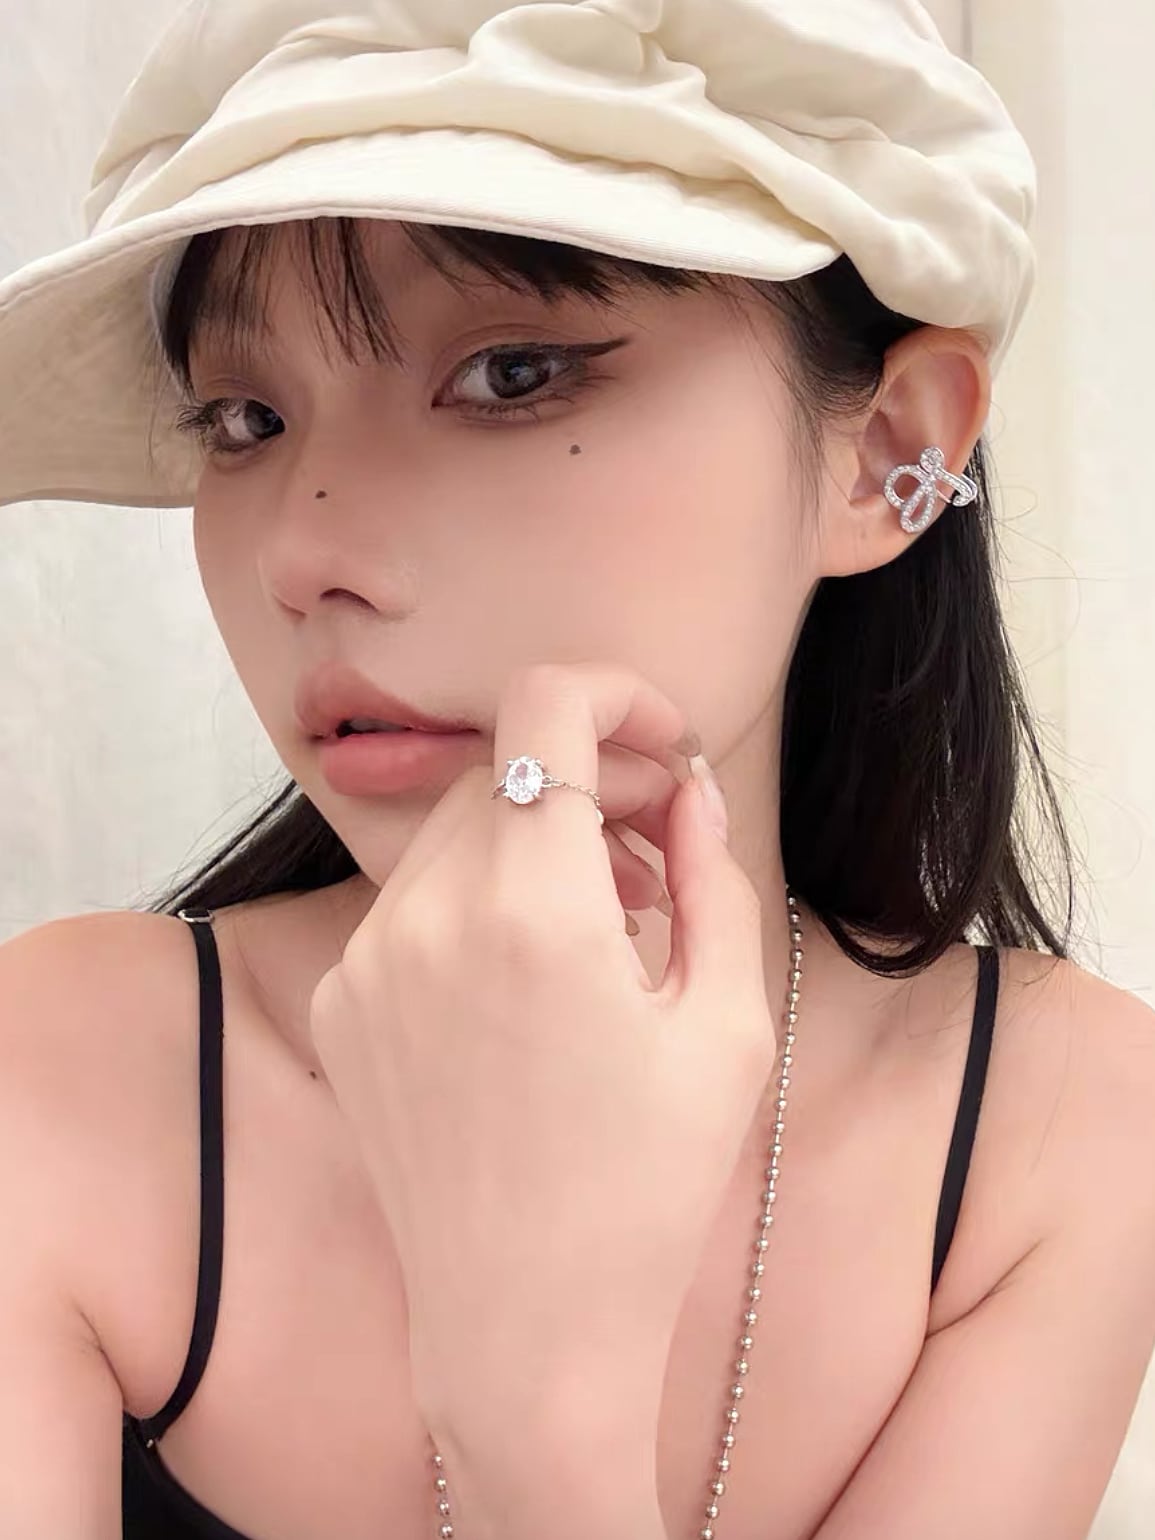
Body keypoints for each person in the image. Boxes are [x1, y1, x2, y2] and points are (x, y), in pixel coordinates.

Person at [1, 2, 1154, 1538]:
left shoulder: (1054, 1126)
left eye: (514, 372)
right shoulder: (59, 1078)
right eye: (246, 416)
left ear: (889, 453)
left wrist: (539, 1414)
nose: (302, 554)